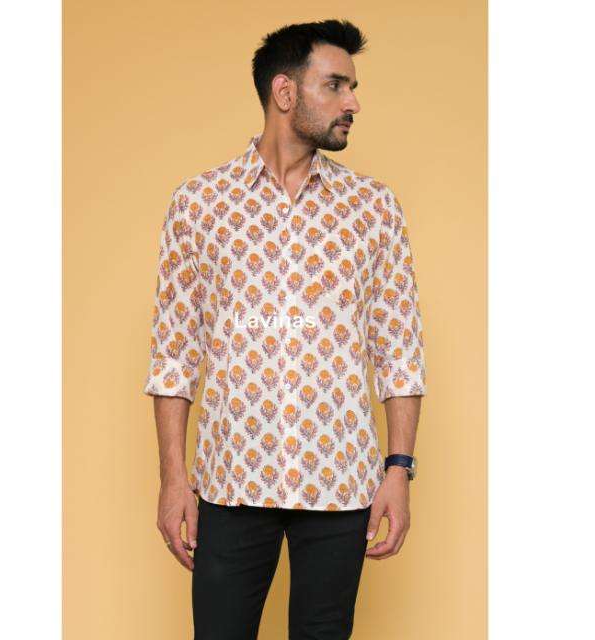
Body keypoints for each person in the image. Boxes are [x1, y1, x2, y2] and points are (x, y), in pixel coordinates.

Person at [143, 18, 427, 640]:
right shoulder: (200, 203)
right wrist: (173, 478)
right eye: (336, 85)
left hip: (340, 485)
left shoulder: (373, 208)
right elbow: (173, 354)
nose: (353, 103)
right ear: (285, 92)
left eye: (353, 87)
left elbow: (399, 350)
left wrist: (398, 471)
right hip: (231, 483)